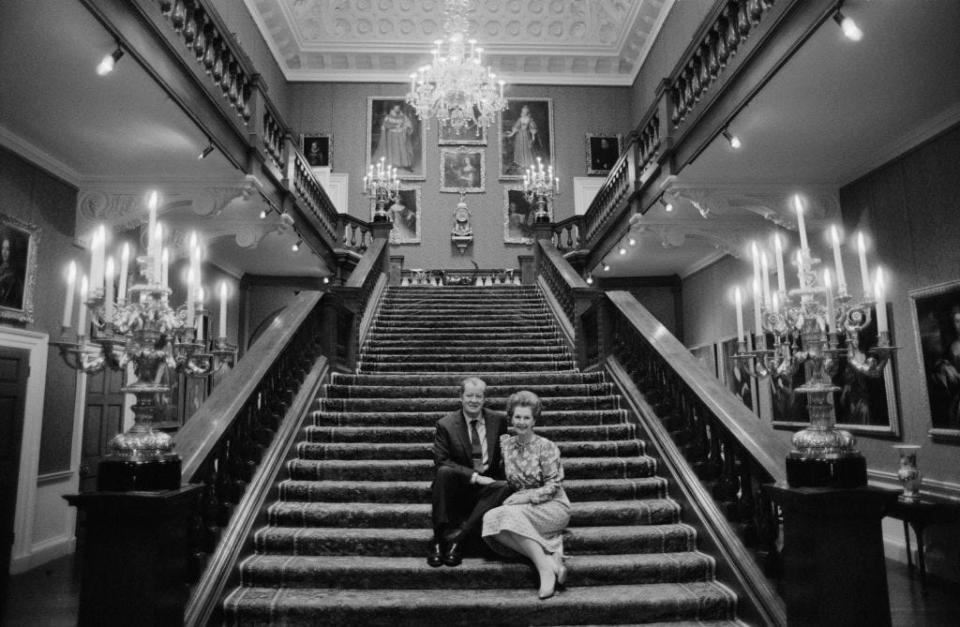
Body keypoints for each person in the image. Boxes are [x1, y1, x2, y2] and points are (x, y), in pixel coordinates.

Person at [483, 390, 571, 600]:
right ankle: (549, 558)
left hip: (553, 506)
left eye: (526, 418)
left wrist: (527, 497)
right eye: (517, 417)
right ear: (511, 418)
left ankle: (544, 570)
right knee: (489, 519)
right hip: (522, 508)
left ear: (534, 420)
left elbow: (554, 485)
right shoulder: (506, 445)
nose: (521, 422)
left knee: (507, 514)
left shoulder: (546, 447)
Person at [429, 377, 513, 568]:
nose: (474, 400)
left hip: (487, 490)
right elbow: (441, 460)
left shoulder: (498, 420)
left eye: (478, 396)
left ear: (484, 399)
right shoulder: (446, 424)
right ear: (461, 397)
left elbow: (503, 455)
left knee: (506, 486)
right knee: (443, 472)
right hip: (459, 487)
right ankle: (439, 538)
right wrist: (475, 477)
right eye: (469, 396)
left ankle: (458, 538)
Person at [375, 104, 415, 171]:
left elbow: (408, 123)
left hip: (401, 135)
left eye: (398, 108)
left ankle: (406, 165)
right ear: (392, 109)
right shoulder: (388, 116)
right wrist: (395, 126)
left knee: (403, 149)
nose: (397, 110)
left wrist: (406, 127)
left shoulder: (403, 116)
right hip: (392, 136)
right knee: (393, 149)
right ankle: (394, 164)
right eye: (396, 108)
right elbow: (385, 125)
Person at [505, 104, 538, 171]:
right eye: (523, 110)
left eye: (525, 110)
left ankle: (526, 164)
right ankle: (521, 163)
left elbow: (532, 128)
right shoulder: (520, 119)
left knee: (526, 148)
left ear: (527, 111)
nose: (524, 111)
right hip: (519, 135)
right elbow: (516, 127)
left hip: (526, 135)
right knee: (520, 148)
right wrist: (511, 134)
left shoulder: (529, 119)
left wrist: (533, 136)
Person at [0, 234, 23, 309]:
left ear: (12, 251)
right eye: (3, 248)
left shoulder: (13, 274)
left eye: (8, 249)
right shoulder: (1, 267)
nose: (4, 252)